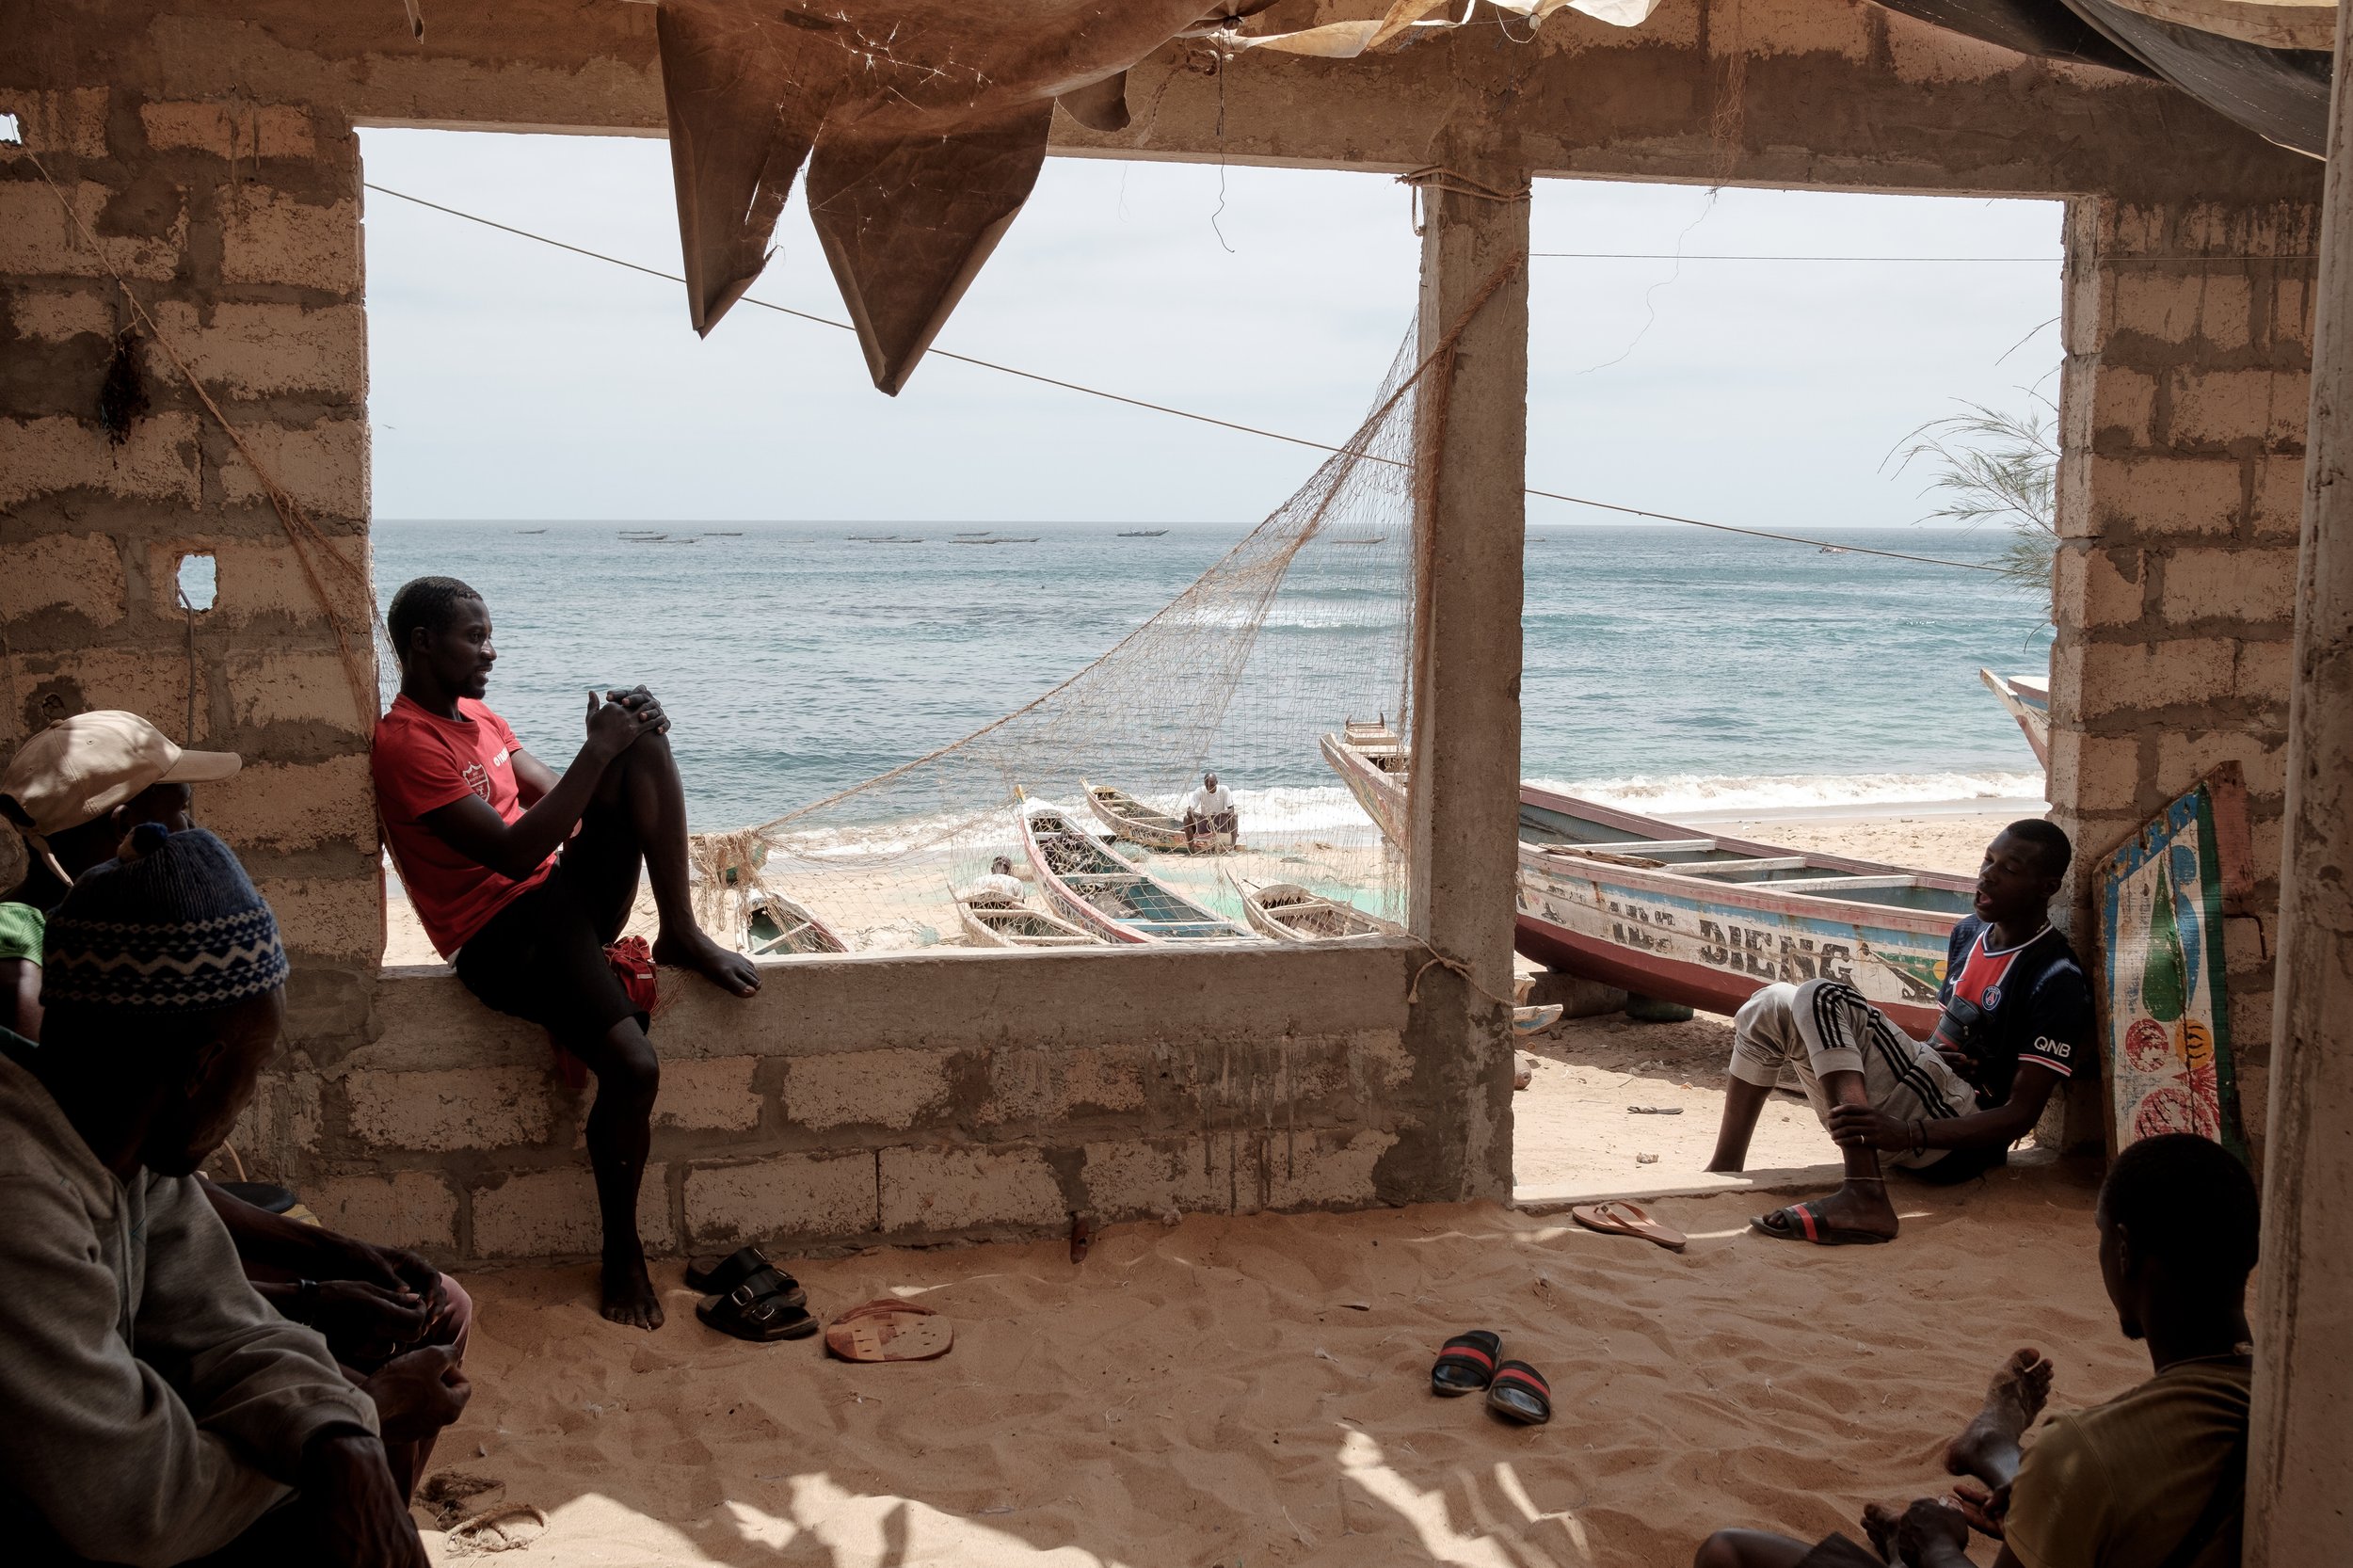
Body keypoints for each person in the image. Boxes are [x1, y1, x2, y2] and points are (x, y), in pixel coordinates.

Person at [0, 711, 475, 1496]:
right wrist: (357, 1405)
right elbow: (131, 1481)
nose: (186, 830)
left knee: (411, 1318)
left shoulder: (134, 1145)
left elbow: (169, 1223)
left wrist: (329, 1265)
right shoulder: (45, 982)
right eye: (179, 809)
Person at [372, 575, 760, 1329]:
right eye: (474, 637)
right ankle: (622, 1253)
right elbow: (516, 855)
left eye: (489, 635)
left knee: (642, 741)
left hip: (559, 904)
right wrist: (596, 754)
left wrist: (616, 745)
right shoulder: (406, 743)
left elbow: (561, 808)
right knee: (634, 1067)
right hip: (502, 936)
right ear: (422, 644)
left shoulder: (480, 716)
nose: (491, 650)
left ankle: (679, 927)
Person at [1691, 1131, 2258, 1568]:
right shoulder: (2280, 1398)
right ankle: (1994, 1450)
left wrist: (1937, 1547)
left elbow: (2091, 1473)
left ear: (2126, 1252)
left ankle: (1988, 1453)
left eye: (2102, 1236)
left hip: (2066, 1483)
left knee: (1728, 1553)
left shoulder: (2086, 1450)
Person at [1705, 820, 2090, 1244]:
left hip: (1959, 1140)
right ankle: (1723, 1169)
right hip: (1925, 1103)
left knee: (1823, 996)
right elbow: (1941, 1043)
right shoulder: (1969, 934)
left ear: (2047, 886)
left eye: (2010, 869)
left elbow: (2021, 1114)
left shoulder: (2056, 977)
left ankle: (1864, 1194)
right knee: (1770, 1002)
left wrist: (1906, 1133)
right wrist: (1935, 1058)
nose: (1988, 875)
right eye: (1988, 859)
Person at [0, 710, 241, 1040]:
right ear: (127, 828)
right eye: (181, 811)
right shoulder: (18, 960)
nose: (192, 829)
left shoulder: (102, 931)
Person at [1182, 771, 1238, 850]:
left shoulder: (1224, 789)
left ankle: (1232, 847)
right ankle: (1191, 848)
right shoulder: (1200, 791)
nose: (1209, 788)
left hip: (1220, 823)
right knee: (1186, 818)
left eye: (1212, 785)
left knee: (1234, 816)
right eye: (1207, 785)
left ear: (1217, 782)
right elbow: (1189, 810)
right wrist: (1198, 816)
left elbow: (1231, 810)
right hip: (1205, 822)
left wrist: (1219, 815)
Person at [960, 856, 1026, 905]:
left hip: (981, 915)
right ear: (1010, 871)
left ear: (992, 870)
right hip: (1008, 917)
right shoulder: (1015, 882)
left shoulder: (978, 880)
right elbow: (1021, 903)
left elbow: (971, 900)